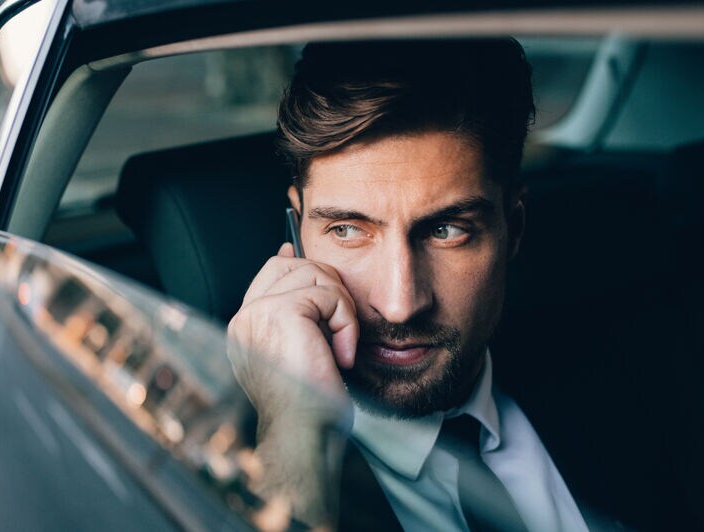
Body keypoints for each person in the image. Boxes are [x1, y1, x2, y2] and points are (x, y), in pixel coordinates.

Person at [226, 39, 589, 531]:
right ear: (296, 230)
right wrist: (294, 427)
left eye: (446, 231)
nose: (399, 305)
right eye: (348, 231)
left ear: (513, 229)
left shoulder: (627, 386)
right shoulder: (216, 457)